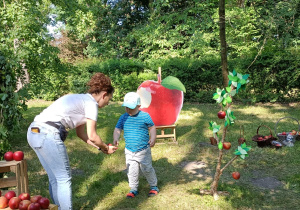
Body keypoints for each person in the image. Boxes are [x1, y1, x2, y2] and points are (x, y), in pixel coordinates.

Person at [27, 72, 117, 210]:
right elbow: (92, 135)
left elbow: (82, 134)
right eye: (108, 99)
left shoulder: (81, 100)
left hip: (34, 131)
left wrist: (100, 148)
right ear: (104, 94)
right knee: (64, 178)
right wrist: (105, 147)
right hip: (47, 133)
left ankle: (58, 208)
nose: (107, 103)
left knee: (55, 178)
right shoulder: (91, 104)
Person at [113, 92, 159, 198]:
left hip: (143, 150)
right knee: (131, 170)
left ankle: (153, 186)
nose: (128, 110)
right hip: (129, 150)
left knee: (147, 168)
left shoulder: (145, 116)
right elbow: (117, 128)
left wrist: (153, 138)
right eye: (126, 108)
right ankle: (133, 188)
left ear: (138, 106)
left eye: (131, 108)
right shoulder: (123, 117)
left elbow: (152, 127)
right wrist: (116, 137)